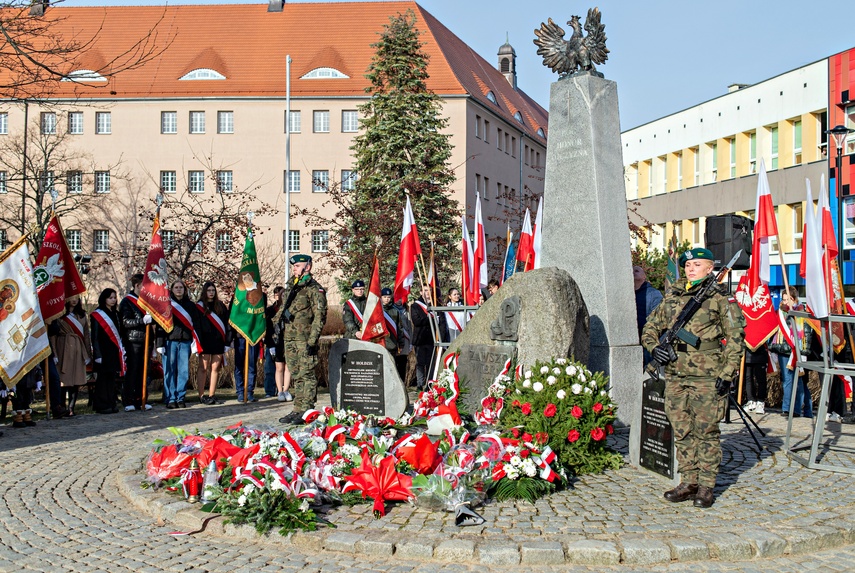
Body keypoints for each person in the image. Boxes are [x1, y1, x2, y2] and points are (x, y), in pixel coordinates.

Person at [641, 248, 745, 508]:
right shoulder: (674, 296)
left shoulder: (721, 298)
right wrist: (656, 349)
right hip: (676, 373)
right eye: (688, 264)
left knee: (706, 430)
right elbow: (650, 327)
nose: (690, 268)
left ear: (710, 268)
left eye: (697, 264)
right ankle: (689, 481)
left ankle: (707, 486)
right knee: (682, 428)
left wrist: (727, 373)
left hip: (707, 375)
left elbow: (735, 338)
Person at [276, 254, 327, 424]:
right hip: (289, 338)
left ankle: (307, 410)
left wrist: (312, 341)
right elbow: (283, 310)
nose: (294, 269)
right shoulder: (292, 287)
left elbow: (320, 317)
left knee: (307, 375)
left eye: (297, 266)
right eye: (294, 266)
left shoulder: (314, 289)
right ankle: (297, 409)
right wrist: (276, 326)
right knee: (296, 374)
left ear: (308, 267)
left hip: (304, 339)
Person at [768, 287, 812, 418]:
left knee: (799, 381)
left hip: (797, 350)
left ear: (795, 299)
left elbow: (807, 331)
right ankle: (787, 408)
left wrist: (805, 349)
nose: (786, 302)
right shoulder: (780, 313)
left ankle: (797, 409)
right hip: (783, 350)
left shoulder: (801, 312)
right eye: (784, 299)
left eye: (789, 299)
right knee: (787, 379)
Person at [156, 280, 199, 409]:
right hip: (170, 341)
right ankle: (171, 398)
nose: (179, 289)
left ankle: (180, 398)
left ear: (184, 290)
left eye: (181, 287)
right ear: (172, 289)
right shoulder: (166, 304)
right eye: (176, 287)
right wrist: (160, 343)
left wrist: (195, 342)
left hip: (185, 342)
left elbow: (196, 325)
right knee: (169, 370)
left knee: (184, 371)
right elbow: (160, 324)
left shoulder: (191, 306)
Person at [51, 295, 91, 417]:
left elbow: (86, 335)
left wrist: (88, 353)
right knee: (64, 379)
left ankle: (71, 407)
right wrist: (54, 352)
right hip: (63, 346)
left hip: (79, 348)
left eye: (77, 298)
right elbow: (53, 335)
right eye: (71, 297)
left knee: (76, 379)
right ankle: (61, 406)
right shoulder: (58, 314)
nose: (74, 300)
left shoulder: (82, 315)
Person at [119, 273, 153, 411]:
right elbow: (125, 322)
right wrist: (141, 321)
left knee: (144, 372)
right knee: (132, 371)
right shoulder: (126, 302)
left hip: (147, 340)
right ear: (137, 285)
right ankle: (128, 400)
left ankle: (141, 399)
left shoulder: (147, 301)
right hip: (133, 341)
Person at [90, 288, 124, 414]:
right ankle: (102, 404)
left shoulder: (116, 314)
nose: (113, 300)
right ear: (104, 298)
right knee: (102, 379)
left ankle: (111, 402)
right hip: (103, 352)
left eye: (115, 297)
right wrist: (97, 355)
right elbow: (95, 337)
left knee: (111, 378)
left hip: (114, 350)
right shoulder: (97, 314)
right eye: (110, 297)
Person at [196, 281, 230, 405]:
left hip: (217, 341)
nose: (211, 293)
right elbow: (197, 325)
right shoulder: (199, 306)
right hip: (204, 341)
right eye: (209, 290)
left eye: (213, 291)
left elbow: (227, 324)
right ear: (205, 292)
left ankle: (212, 394)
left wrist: (227, 341)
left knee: (215, 367)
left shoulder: (220, 306)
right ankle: (201, 395)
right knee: (203, 368)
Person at [411, 285, 446, 390]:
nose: (427, 293)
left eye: (429, 291)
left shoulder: (436, 305)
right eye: (425, 291)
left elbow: (442, 322)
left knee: (431, 363)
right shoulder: (415, 306)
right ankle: (420, 384)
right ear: (421, 292)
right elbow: (417, 321)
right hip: (420, 339)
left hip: (432, 339)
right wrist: (431, 318)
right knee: (420, 363)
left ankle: (430, 383)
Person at [265, 286, 292, 402]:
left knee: (288, 367)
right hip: (276, 341)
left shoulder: (290, 309)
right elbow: (269, 329)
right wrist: (270, 344)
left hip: (289, 340)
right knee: (279, 367)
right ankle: (280, 391)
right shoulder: (271, 310)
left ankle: (286, 390)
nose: (282, 296)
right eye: (281, 294)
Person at [634, 265, 664, 367]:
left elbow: (659, 319)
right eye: (631, 270)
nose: (633, 272)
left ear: (644, 276)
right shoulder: (627, 294)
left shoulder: (654, 294)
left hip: (647, 343)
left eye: (637, 271)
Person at [380, 287, 406, 379]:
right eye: (385, 297)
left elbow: (399, 328)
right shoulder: (377, 311)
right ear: (381, 297)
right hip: (380, 343)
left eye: (388, 297)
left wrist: (401, 343)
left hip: (392, 344)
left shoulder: (395, 311)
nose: (387, 299)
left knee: (391, 368)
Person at [742, 345, 769, 414]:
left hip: (760, 353)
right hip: (747, 353)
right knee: (748, 378)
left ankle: (760, 402)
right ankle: (751, 401)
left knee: (761, 379)